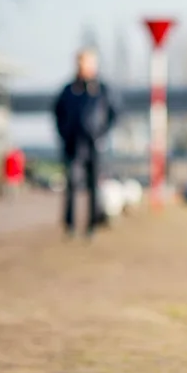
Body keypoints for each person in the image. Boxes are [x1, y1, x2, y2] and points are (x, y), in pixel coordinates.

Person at [53, 48, 117, 238]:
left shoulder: (102, 90)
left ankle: (92, 224)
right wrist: (65, 133)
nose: (83, 67)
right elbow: (58, 113)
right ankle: (70, 224)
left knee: (93, 185)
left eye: (86, 63)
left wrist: (102, 134)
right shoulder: (69, 90)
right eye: (80, 63)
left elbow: (114, 113)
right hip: (73, 144)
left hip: (94, 144)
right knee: (72, 184)